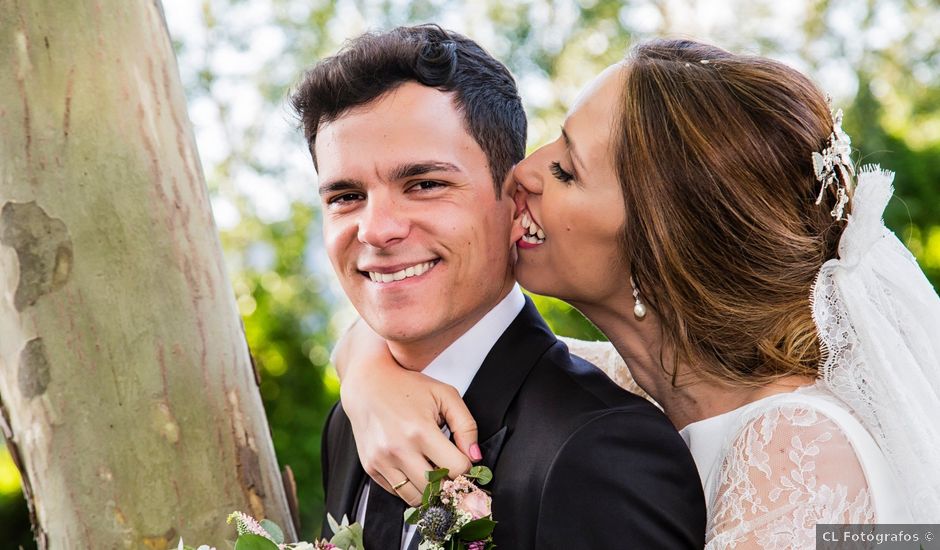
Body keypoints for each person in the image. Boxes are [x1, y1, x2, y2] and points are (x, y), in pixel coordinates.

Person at [333, 38, 940, 548]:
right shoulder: (631, 379)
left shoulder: (796, 445)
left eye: (567, 170)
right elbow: (431, 340)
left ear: (662, 243)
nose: (523, 172)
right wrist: (367, 380)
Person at [290, 26, 706, 549]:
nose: (377, 230)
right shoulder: (352, 421)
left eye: (424, 184)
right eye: (346, 196)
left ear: (513, 198)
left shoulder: (602, 450)